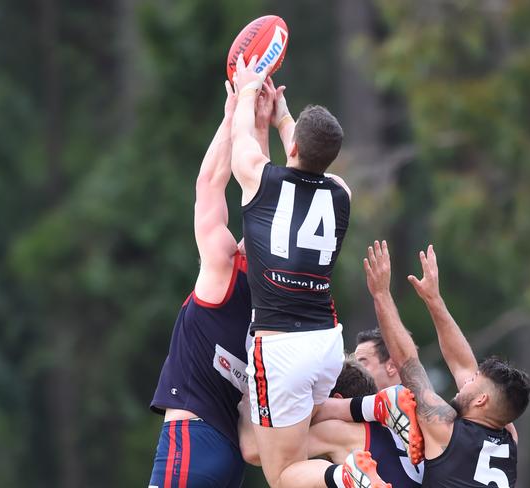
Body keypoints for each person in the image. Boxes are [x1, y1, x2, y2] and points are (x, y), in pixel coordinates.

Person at [231, 54, 383, 488]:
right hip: (324, 344)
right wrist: (282, 118)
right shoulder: (341, 193)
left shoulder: (260, 180)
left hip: (281, 349)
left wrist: (246, 87)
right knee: (290, 447)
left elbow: (241, 135)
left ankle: (347, 473)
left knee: (282, 475)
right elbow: (304, 153)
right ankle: (367, 428)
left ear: (293, 145)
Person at [147, 80, 275, 488]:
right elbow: (264, 201)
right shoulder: (270, 306)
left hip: (191, 440)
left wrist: (233, 112)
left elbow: (209, 185)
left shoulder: (222, 269)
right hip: (229, 458)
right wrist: (260, 127)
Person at [364, 241, 530, 487]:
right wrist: (433, 299)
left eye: (474, 381)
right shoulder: (509, 440)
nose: (468, 380)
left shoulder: (444, 429)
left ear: (481, 400)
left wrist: (381, 295)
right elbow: (462, 365)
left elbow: (408, 362)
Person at [239, 357, 423, 488]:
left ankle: (344, 474)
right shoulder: (397, 427)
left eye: (315, 403)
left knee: (282, 477)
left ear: (336, 399)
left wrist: (248, 407)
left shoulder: (337, 431)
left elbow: (256, 451)